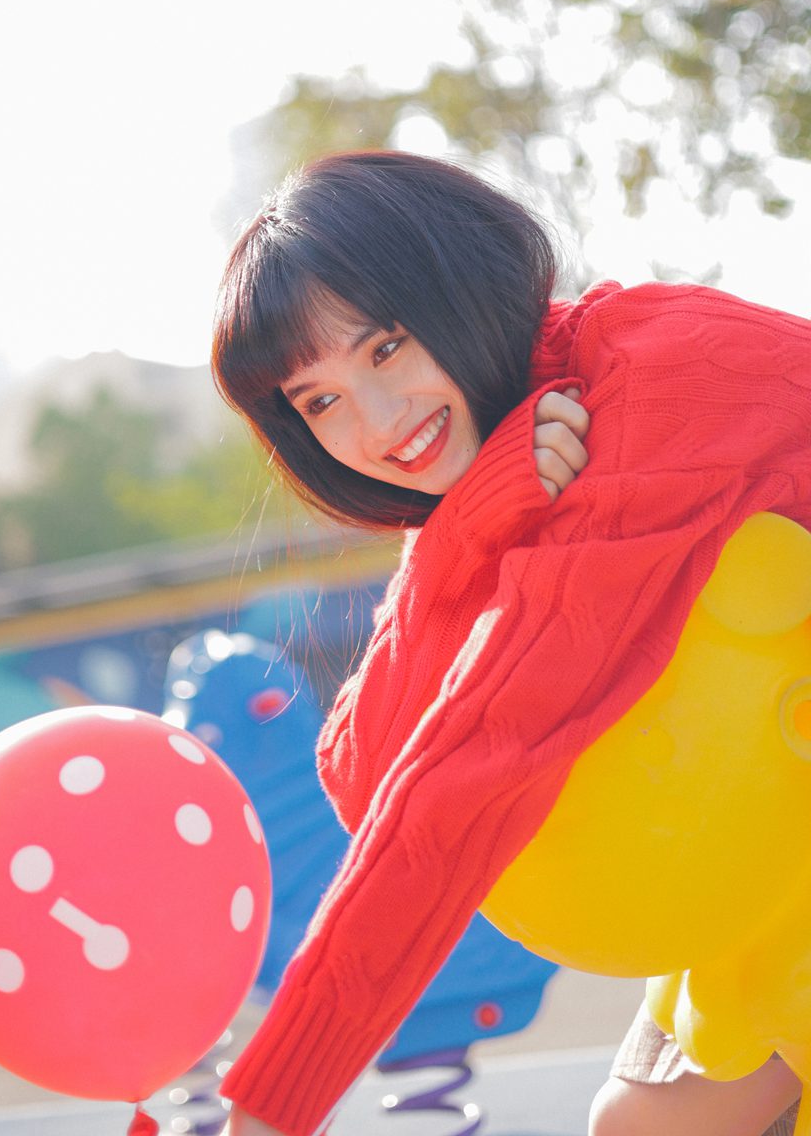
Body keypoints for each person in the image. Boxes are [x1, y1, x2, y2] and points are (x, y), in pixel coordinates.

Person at [209, 149, 811, 1136]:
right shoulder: (513, 463)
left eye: (385, 347)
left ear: (454, 283)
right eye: (318, 401)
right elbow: (361, 771)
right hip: (769, 891)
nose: (375, 421)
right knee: (638, 1125)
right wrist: (460, 539)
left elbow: (469, 770)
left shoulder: (647, 389)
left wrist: (272, 1107)